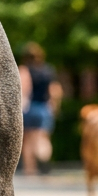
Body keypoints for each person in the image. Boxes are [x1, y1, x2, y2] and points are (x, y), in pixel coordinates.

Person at [18, 42, 62, 175]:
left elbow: (23, 89)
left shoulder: (24, 70)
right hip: (44, 108)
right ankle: (43, 157)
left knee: (27, 140)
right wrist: (54, 106)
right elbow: (55, 90)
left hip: (29, 108)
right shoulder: (48, 70)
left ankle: (30, 170)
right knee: (42, 137)